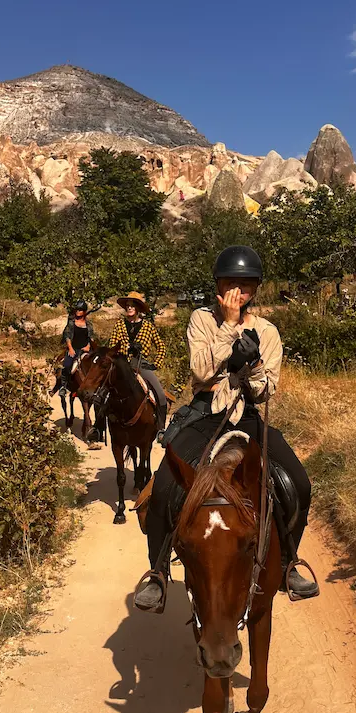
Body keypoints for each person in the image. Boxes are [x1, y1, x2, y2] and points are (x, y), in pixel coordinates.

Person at [134, 245, 318, 612]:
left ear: (256, 289)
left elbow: (267, 390)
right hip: (204, 411)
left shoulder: (267, 330)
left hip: (246, 412)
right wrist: (229, 332)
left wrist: (250, 366)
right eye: (231, 283)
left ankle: (288, 562)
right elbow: (201, 372)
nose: (238, 292)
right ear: (218, 285)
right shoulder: (201, 320)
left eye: (245, 285)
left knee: (297, 482)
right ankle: (157, 571)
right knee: (166, 483)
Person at [108, 292, 168, 434]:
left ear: (138, 309)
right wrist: (124, 350)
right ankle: (97, 428)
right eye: (127, 306)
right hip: (123, 365)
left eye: (132, 306)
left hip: (141, 364)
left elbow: (161, 346)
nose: (129, 308)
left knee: (160, 395)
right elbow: (112, 346)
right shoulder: (119, 325)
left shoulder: (148, 326)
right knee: (102, 393)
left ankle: (161, 428)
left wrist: (155, 364)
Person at [60, 301, 95, 390]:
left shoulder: (89, 325)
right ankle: (63, 386)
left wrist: (88, 346)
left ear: (84, 312)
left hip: (85, 349)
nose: (78, 311)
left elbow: (91, 338)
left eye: (80, 310)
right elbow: (67, 336)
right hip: (74, 348)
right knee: (67, 365)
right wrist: (70, 349)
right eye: (77, 309)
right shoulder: (71, 323)